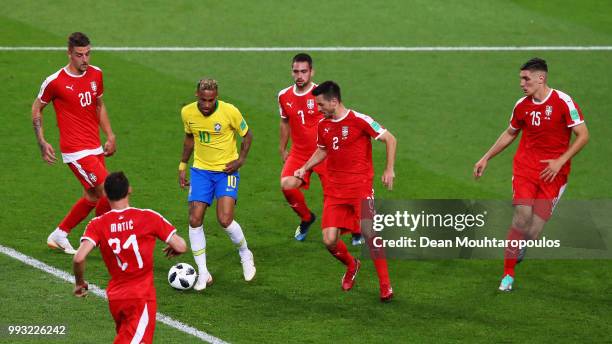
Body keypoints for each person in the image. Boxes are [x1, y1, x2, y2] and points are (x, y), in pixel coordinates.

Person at [473, 58, 589, 291]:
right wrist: (486, 157)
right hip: (525, 169)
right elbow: (510, 133)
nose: (522, 83)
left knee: (533, 231)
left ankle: (521, 244)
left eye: (526, 79)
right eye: (520, 79)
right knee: (521, 217)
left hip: (554, 174)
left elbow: (583, 134)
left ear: (541, 78)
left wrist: (560, 161)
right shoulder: (522, 105)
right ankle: (507, 274)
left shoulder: (563, 102)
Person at [294, 81, 397, 302]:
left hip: (360, 188)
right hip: (334, 191)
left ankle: (385, 286)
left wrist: (389, 169)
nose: (318, 109)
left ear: (334, 101)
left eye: (321, 104)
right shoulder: (323, 125)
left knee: (371, 234)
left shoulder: (360, 120)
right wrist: (304, 167)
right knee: (329, 240)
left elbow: (390, 139)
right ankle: (352, 265)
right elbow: (322, 151)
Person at [73, 171, 187, 344]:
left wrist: (79, 282)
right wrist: (175, 249)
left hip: (116, 298)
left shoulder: (97, 224)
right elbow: (181, 245)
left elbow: (79, 258)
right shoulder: (148, 217)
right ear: (129, 190)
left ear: (105, 194)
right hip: (140, 298)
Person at [32, 32, 116, 255]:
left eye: (88, 53)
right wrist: (42, 141)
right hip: (75, 150)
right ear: (69, 54)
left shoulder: (96, 74)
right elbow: (36, 108)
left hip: (94, 146)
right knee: (109, 192)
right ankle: (97, 237)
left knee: (92, 196)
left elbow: (99, 105)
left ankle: (60, 233)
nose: (85, 59)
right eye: (80, 55)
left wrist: (109, 135)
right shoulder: (55, 81)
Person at [179, 78, 255, 291]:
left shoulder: (230, 112)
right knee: (194, 219)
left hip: (225, 171)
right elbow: (189, 138)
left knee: (224, 219)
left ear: (216, 97)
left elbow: (247, 136)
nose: (206, 105)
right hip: (201, 170)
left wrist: (240, 160)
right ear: (197, 95)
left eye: (210, 100)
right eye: (203, 100)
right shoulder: (187, 113)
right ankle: (203, 272)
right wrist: (182, 165)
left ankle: (245, 253)